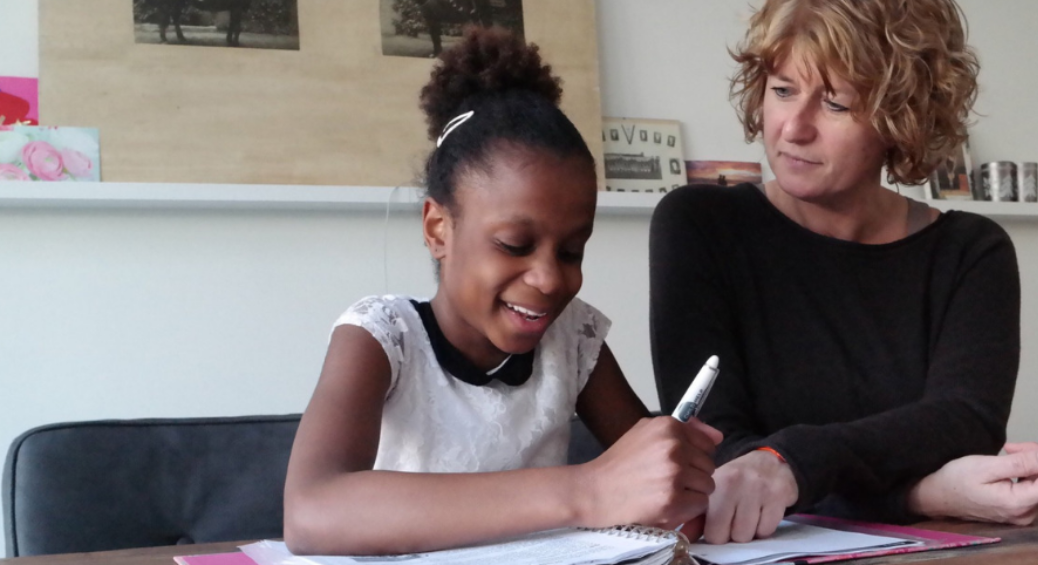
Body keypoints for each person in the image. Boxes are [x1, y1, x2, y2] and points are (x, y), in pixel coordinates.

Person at [650, 0, 1038, 545]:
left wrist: (789, 462)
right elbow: (722, 451)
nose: (794, 128)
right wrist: (920, 494)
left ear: (901, 117)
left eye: (835, 104)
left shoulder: (972, 250)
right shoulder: (699, 225)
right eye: (782, 90)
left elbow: (965, 421)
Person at [283, 27, 721, 555]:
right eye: (515, 244)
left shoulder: (573, 340)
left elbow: (662, 499)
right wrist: (583, 491)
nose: (550, 278)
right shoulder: (382, 337)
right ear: (438, 229)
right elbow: (312, 510)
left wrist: (682, 483)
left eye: (572, 251)